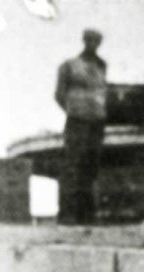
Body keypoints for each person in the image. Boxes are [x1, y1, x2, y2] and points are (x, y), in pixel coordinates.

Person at [54, 28, 108, 225]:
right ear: (84, 41)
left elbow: (101, 91)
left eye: (96, 41)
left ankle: (87, 215)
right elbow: (59, 94)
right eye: (89, 40)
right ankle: (68, 215)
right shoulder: (69, 66)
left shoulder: (102, 65)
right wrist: (74, 110)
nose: (92, 44)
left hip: (97, 121)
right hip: (77, 120)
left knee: (90, 167)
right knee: (73, 165)